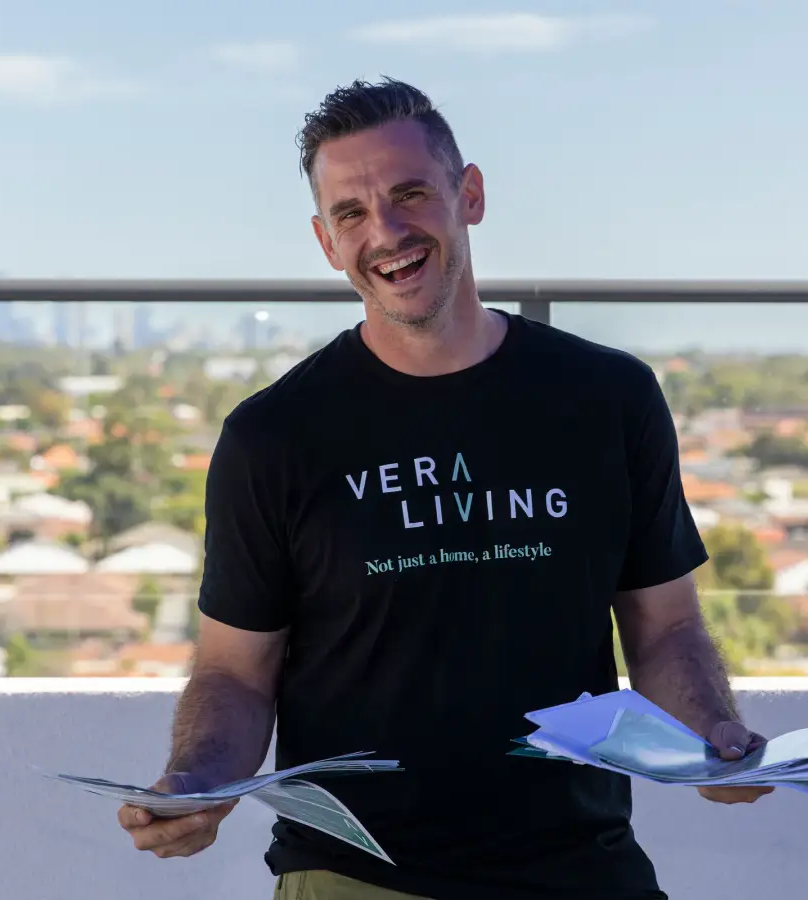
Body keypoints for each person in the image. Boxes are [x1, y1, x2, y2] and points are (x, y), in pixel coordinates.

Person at [118, 77, 771, 899]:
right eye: (351, 214)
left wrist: (710, 730)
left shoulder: (606, 398)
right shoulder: (274, 437)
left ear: (470, 195)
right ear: (326, 241)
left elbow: (665, 625)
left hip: (584, 866)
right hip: (358, 874)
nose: (385, 232)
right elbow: (236, 672)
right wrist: (196, 782)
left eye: (411, 194)